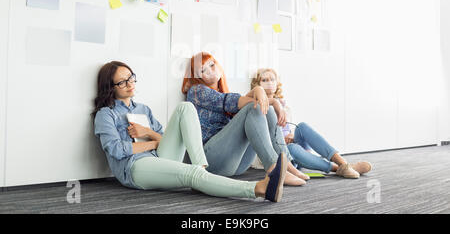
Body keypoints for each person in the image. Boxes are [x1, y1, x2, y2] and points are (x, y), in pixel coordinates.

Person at [92, 61, 288, 202]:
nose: (130, 84)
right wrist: (152, 143)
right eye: (122, 82)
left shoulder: (143, 109)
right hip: (134, 167)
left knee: (185, 107)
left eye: (131, 78)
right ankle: (257, 189)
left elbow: (164, 138)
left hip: (159, 156)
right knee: (190, 174)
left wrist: (149, 134)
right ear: (111, 88)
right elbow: (116, 150)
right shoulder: (105, 115)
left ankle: (201, 166)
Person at [182, 52, 309, 186]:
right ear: (197, 77)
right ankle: (273, 169)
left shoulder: (221, 91)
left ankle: (287, 164)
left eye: (212, 65)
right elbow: (232, 102)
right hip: (210, 161)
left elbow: (240, 107)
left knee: (267, 109)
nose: (210, 70)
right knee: (255, 107)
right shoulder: (197, 91)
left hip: (236, 165)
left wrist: (270, 101)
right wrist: (259, 91)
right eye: (203, 70)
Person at [250, 68, 372, 178]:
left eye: (272, 79)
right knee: (292, 148)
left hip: (292, 147)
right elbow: (261, 137)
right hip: (279, 154)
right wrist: (283, 140)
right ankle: (340, 168)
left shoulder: (285, 107)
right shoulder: (256, 106)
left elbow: (286, 129)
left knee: (302, 126)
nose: (269, 82)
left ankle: (343, 163)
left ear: (277, 83)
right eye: (264, 80)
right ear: (258, 84)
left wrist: (291, 135)